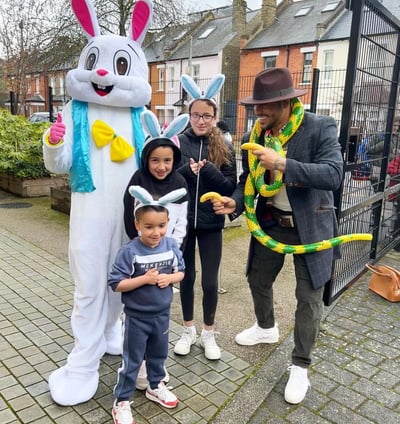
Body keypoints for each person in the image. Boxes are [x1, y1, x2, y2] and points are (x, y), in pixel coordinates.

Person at [211, 67, 344, 404]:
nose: (259, 112)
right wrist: (235, 203)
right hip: (272, 220)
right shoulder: (255, 133)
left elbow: (333, 175)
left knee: (308, 297)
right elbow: (248, 180)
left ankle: (300, 365)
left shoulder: (319, 127)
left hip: (311, 226)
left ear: (286, 102)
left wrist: (283, 163)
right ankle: (266, 327)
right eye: (256, 105)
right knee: (257, 277)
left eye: (265, 105)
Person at [122, 110, 190, 389]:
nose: (161, 166)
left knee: (160, 314)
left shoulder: (180, 184)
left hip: (167, 258)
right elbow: (130, 218)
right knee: (137, 314)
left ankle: (155, 365)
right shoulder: (138, 180)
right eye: (155, 160)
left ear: (174, 161)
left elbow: (182, 225)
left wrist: (171, 254)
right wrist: (143, 249)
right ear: (146, 160)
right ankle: (135, 364)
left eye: (167, 160)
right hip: (141, 256)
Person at [109, 186, 186, 424]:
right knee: (132, 361)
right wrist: (145, 279)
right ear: (137, 225)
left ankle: (155, 386)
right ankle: (121, 401)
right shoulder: (129, 251)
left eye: (161, 226)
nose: (156, 232)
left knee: (158, 355)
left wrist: (169, 278)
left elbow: (181, 273)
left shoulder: (171, 246)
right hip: (136, 318)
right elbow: (115, 283)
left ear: (168, 222)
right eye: (149, 227)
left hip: (162, 315)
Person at [173, 74, 237, 360]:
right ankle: (188, 330)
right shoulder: (177, 142)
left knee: (210, 281)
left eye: (207, 116)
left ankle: (208, 334)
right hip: (183, 222)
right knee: (186, 277)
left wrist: (209, 170)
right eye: (196, 115)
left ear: (214, 118)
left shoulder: (225, 146)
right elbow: (168, 180)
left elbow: (230, 187)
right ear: (189, 115)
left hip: (211, 222)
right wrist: (188, 172)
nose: (201, 121)